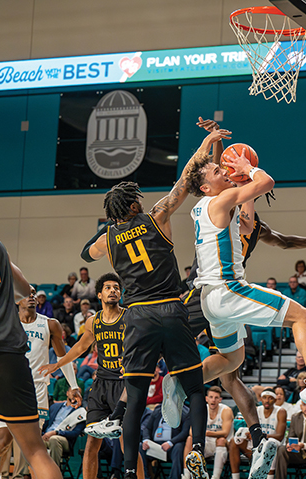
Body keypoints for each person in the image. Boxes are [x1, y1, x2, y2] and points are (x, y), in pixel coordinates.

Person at [179, 121, 306, 479]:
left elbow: (223, 187)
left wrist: (219, 149)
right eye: (223, 172)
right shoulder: (223, 201)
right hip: (216, 288)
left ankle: (184, 387)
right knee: (303, 317)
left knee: (230, 364)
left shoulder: (227, 209)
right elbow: (233, 181)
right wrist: (240, 163)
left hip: (213, 296)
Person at [84, 128, 229, 479]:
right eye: (138, 199)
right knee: (195, 388)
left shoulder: (109, 238)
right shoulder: (157, 216)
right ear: (135, 206)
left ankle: (131, 473)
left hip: (137, 318)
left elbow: (86, 254)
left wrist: (111, 225)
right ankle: (195, 453)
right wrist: (205, 145)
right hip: (171, 308)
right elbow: (183, 181)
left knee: (133, 398)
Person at [39, 273, 144, 479]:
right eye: (108, 287)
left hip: (124, 385)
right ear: (99, 294)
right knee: (91, 444)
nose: (113, 290)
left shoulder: (130, 317)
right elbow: (80, 347)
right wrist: (58, 364)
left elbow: (146, 345)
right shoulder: (93, 322)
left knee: (127, 445)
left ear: (121, 293)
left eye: (116, 287)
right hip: (101, 386)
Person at [0, 285, 81, 479]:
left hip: (36, 390)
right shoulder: (5, 323)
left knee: (33, 450)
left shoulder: (50, 324)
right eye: (27, 293)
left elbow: (63, 357)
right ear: (17, 299)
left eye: (34, 293)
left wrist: (74, 385)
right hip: (8, 389)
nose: (32, 296)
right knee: (1, 442)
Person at [0, 239, 63, 479]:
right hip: (10, 357)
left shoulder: (49, 324)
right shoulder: (0, 248)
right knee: (35, 451)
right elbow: (25, 288)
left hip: (36, 381)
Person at [229, 388, 286, 479]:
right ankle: (235, 477)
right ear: (260, 399)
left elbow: (280, 436)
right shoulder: (257, 410)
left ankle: (269, 477)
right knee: (234, 441)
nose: (267, 400)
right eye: (264, 397)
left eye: (270, 398)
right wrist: (248, 434)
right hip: (258, 443)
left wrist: (260, 436)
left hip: (274, 444)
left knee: (270, 444)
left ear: (275, 400)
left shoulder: (280, 411)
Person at [141, 404, 190, 479]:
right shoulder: (158, 410)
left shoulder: (185, 412)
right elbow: (147, 428)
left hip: (172, 445)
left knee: (179, 447)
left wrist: (170, 443)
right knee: (140, 447)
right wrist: (146, 440)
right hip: (155, 446)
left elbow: (185, 432)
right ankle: (144, 477)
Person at [42, 388, 86, 467]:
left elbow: (75, 433)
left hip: (63, 439)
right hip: (46, 435)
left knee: (54, 439)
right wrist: (42, 434)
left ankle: (53, 474)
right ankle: (24, 474)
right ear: (67, 393)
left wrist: (56, 433)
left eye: (77, 392)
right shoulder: (54, 407)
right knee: (29, 439)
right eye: (72, 392)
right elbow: (45, 423)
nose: (74, 394)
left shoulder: (81, 413)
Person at [203, 386, 233, 479]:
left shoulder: (226, 410)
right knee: (189, 440)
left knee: (221, 440)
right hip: (206, 443)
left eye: (216, 398)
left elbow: (225, 433)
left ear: (220, 399)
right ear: (206, 398)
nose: (213, 400)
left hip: (224, 445)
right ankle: (186, 476)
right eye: (211, 397)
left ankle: (215, 477)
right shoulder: (202, 409)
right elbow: (191, 432)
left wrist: (206, 433)